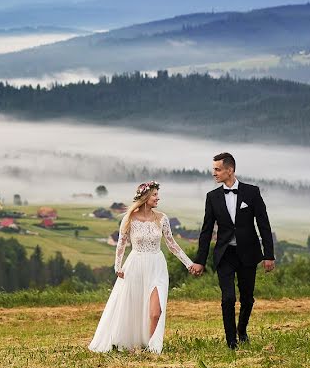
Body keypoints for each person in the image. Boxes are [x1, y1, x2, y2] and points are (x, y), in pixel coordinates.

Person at [88, 181, 194, 354]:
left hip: (157, 265)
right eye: (154, 195)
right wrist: (118, 266)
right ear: (145, 197)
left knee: (155, 311)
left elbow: (172, 244)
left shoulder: (162, 219)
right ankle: (133, 344)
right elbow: (121, 244)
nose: (158, 198)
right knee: (134, 306)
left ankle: (152, 348)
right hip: (135, 265)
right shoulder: (129, 218)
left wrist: (189, 264)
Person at [189, 152, 275, 349]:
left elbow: (264, 225)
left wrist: (268, 255)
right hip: (225, 255)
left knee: (247, 298)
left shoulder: (252, 192)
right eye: (214, 169)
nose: (214, 173)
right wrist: (200, 260)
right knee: (228, 297)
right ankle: (231, 342)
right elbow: (206, 230)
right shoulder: (212, 197)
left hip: (248, 253)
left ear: (230, 170)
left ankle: (242, 330)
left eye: (218, 169)